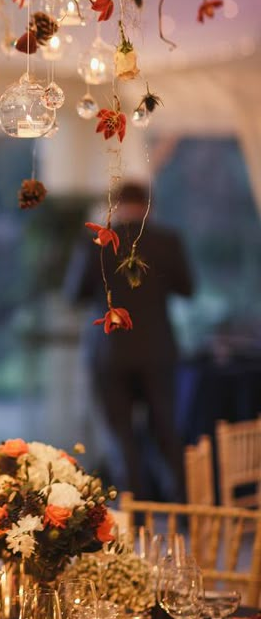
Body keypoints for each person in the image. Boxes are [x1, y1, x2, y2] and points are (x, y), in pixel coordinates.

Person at [66, 181, 194, 500]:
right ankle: (180, 509)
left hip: (110, 352)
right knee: (166, 431)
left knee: (120, 436)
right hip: (158, 350)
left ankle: (134, 513)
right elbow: (188, 289)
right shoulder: (167, 240)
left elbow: (74, 294)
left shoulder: (96, 242)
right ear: (148, 205)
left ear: (116, 205)